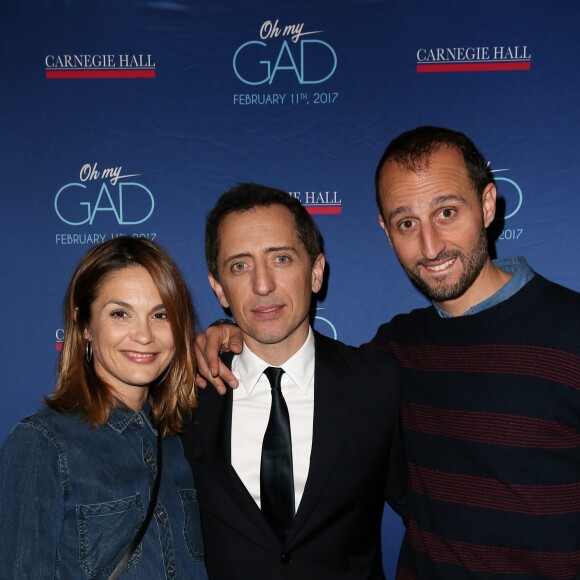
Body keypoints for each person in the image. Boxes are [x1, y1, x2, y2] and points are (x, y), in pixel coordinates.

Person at [195, 127, 580, 579]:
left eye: (447, 212)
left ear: (488, 205)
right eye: (407, 223)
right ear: (386, 229)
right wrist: (226, 331)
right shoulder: (394, 353)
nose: (431, 245)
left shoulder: (569, 329)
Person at [180, 183, 406, 580]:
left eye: (281, 258)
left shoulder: (379, 386)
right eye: (240, 266)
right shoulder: (185, 395)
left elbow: (437, 514)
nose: (262, 284)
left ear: (316, 272)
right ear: (219, 288)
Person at [0, 237, 208, 579]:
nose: (144, 335)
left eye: (160, 314)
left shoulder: (178, 441)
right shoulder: (42, 444)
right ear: (84, 325)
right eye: (120, 314)